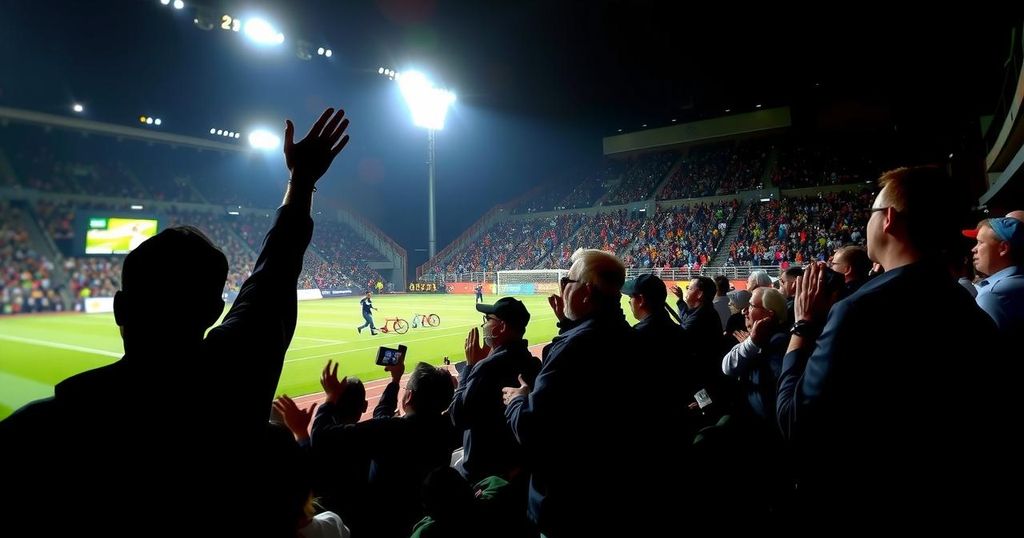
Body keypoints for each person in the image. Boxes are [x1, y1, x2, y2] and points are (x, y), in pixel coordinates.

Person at [0, 107, 352, 535]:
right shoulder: (236, 373)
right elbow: (277, 265)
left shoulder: (41, 432)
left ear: (119, 309)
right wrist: (301, 179)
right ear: (212, 311)